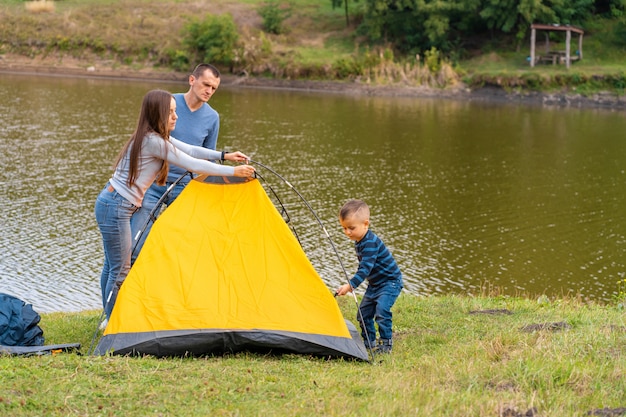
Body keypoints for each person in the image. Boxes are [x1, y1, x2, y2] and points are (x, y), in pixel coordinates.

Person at [94, 89, 255, 320]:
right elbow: (191, 163)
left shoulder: (155, 137)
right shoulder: (153, 141)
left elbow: (190, 149)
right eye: (170, 112)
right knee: (120, 269)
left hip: (115, 203)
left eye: (175, 111)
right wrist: (233, 172)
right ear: (157, 113)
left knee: (114, 265)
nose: (175, 117)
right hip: (115, 206)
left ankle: (110, 320)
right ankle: (114, 325)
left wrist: (224, 155)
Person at [131, 63, 223, 263]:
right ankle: (125, 289)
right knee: (135, 246)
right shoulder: (168, 103)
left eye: (214, 88)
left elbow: (206, 158)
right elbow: (146, 139)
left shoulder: (213, 118)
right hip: (153, 184)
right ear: (192, 80)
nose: (209, 91)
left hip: (184, 188)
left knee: (178, 247)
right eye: (206, 84)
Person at [335, 199, 403, 354]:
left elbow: (365, 269)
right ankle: (369, 342)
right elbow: (364, 267)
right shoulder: (359, 241)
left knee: (382, 310)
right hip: (375, 284)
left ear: (366, 224)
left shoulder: (370, 242)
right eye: (344, 228)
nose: (347, 232)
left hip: (390, 282)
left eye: (351, 228)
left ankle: (386, 345)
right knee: (363, 314)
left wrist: (350, 285)